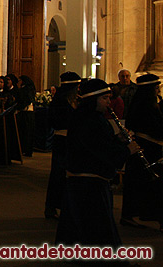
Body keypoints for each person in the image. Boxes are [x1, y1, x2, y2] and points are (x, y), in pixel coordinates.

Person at [55, 78, 138, 252]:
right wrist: (127, 151)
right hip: (88, 184)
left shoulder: (93, 118)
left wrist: (119, 139)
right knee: (95, 229)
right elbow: (100, 151)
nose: (109, 102)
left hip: (88, 182)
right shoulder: (88, 120)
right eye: (105, 98)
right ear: (93, 99)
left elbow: (99, 144)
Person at [120, 73, 163, 231]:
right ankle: (139, 215)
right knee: (144, 184)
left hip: (148, 146)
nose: (158, 90)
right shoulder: (146, 106)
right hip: (147, 147)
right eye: (156, 87)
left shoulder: (146, 103)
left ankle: (141, 214)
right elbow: (155, 128)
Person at [44, 71, 80, 220]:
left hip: (71, 140)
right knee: (58, 174)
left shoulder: (75, 100)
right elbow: (56, 121)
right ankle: (52, 206)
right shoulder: (60, 101)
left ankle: (66, 205)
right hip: (62, 140)